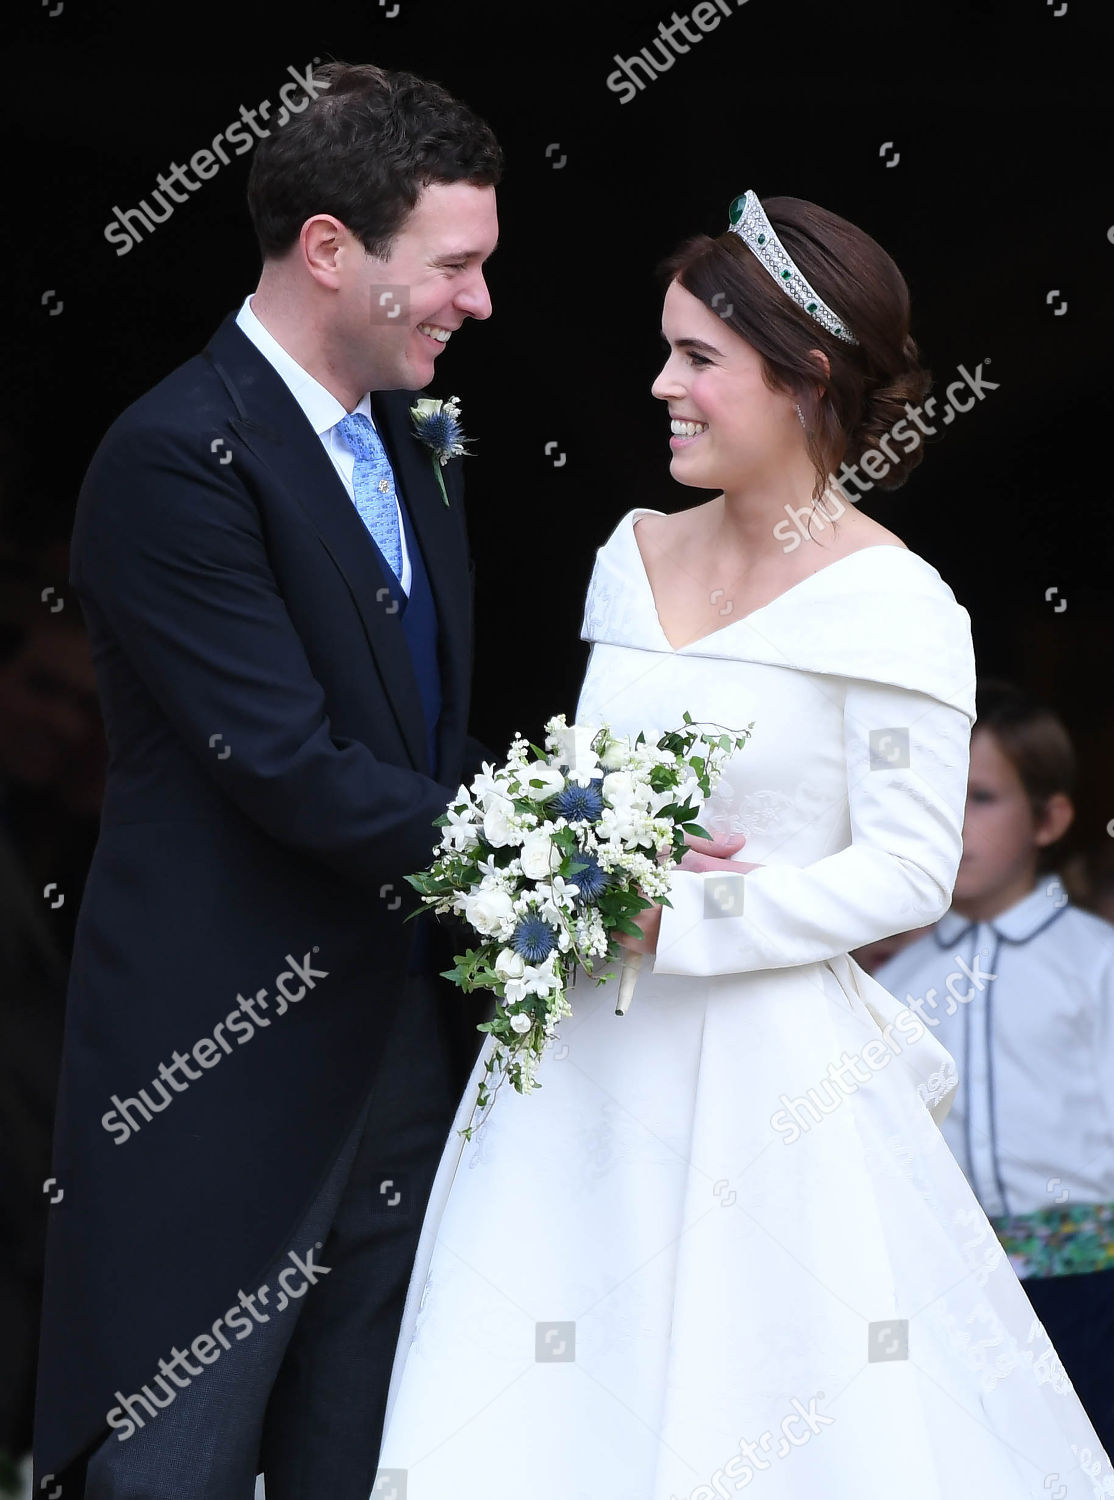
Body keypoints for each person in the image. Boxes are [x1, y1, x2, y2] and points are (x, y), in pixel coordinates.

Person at [375, 191, 1114, 1497]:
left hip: (768, 1083)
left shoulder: (895, 606)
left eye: (696, 359)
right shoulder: (630, 553)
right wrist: (552, 845)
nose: (661, 385)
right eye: (663, 350)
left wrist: (686, 916)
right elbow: (592, 784)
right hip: (575, 1068)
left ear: (807, 376)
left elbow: (900, 867)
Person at [33, 61, 502, 1500]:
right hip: (218, 1062)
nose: (477, 303)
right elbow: (285, 764)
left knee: (361, 1460)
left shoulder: (412, 445)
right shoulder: (176, 457)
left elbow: (423, 735)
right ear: (325, 252)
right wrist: (553, 856)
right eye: (454, 266)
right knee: (176, 1464)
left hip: (399, 1054)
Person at [875, 678, 1114, 1453]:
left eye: (982, 797)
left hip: (1091, 1286)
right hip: (956, 1295)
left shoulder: (1095, 961)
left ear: (1050, 817)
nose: (956, 822)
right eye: (941, 796)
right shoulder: (890, 987)